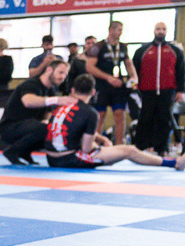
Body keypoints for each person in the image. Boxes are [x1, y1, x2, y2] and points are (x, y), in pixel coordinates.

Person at [46, 74, 185, 170]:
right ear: (93, 92)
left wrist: (102, 139)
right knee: (128, 150)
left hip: (51, 158)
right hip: (69, 159)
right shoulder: (90, 113)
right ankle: (174, 163)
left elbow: (72, 129)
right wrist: (98, 146)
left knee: (113, 150)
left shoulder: (61, 106)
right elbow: (86, 149)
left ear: (72, 90)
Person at [0, 58, 73, 165]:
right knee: (43, 129)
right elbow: (28, 101)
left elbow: (48, 113)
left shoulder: (51, 90)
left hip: (29, 126)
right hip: (10, 127)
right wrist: (56, 100)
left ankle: (25, 152)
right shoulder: (31, 84)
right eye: (60, 72)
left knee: (53, 131)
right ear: (49, 70)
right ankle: (12, 151)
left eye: (65, 74)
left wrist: (46, 121)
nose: (63, 77)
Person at [132, 22, 184, 155]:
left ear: (166, 31)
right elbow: (134, 71)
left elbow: (181, 72)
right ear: (154, 30)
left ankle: (161, 149)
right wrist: (135, 87)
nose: (161, 31)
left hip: (167, 91)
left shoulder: (175, 51)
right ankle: (140, 147)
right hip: (147, 91)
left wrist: (180, 91)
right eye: (158, 29)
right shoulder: (142, 51)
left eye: (163, 29)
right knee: (145, 118)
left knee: (164, 119)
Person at [87, 21, 138, 145]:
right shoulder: (98, 47)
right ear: (111, 30)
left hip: (118, 86)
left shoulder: (123, 47)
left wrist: (133, 78)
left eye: (121, 30)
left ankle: (119, 145)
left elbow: (129, 64)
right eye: (119, 30)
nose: (121, 32)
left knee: (120, 114)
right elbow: (89, 67)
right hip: (101, 85)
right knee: (100, 115)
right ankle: (95, 144)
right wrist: (108, 78)